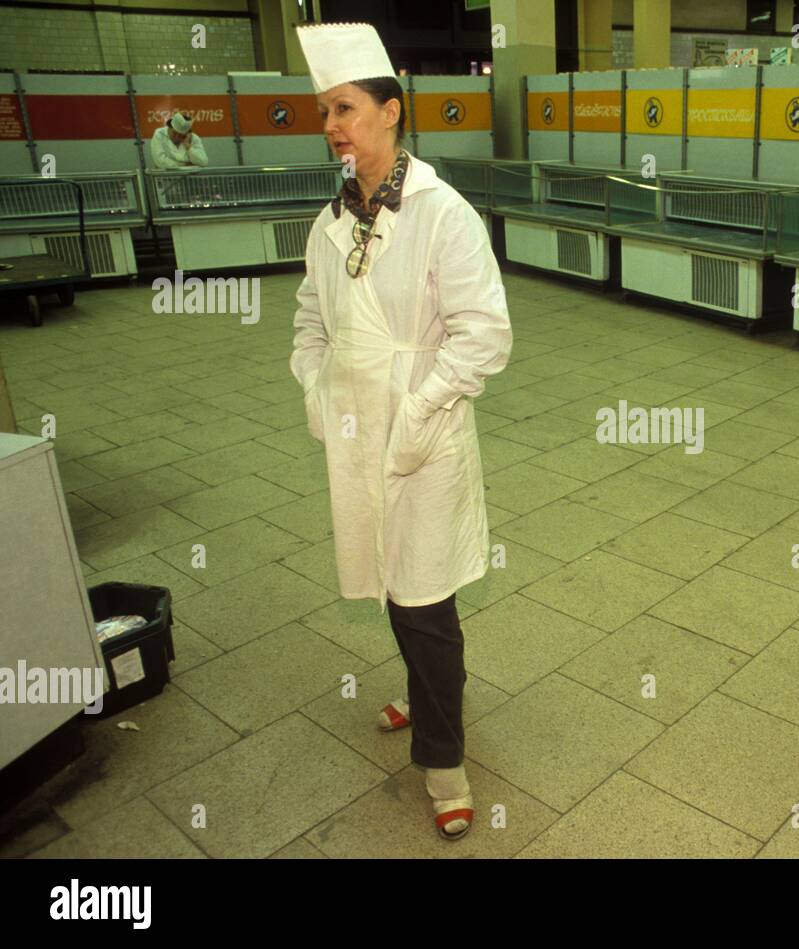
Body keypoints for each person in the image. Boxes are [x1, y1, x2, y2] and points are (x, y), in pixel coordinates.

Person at [290, 21, 512, 842]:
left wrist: (418, 414)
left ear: (390, 111)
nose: (332, 126)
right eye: (323, 113)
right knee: (386, 578)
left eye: (344, 108)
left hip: (421, 438)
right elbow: (309, 320)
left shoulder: (439, 213)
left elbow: (485, 334)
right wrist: (318, 388)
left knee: (425, 599)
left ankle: (444, 758)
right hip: (357, 434)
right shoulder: (330, 223)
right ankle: (423, 697)